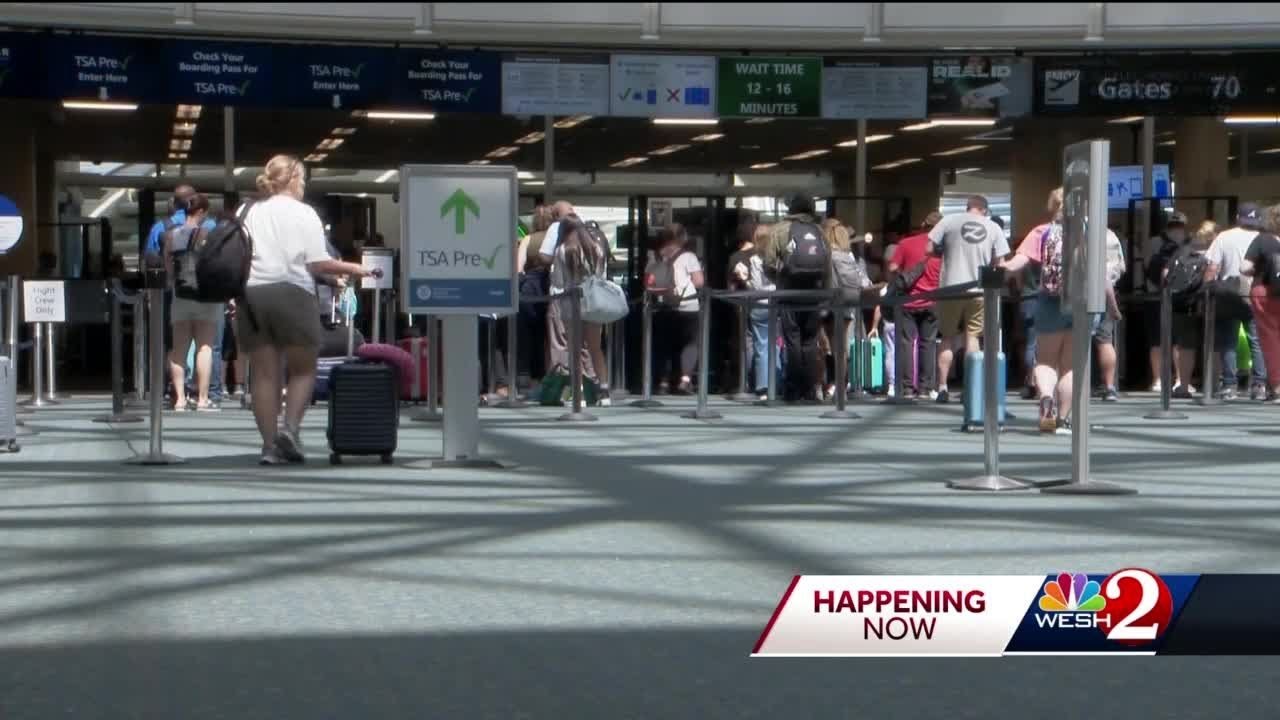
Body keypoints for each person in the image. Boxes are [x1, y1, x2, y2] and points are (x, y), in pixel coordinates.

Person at [239, 155, 372, 465]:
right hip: (292, 292)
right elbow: (317, 263)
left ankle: (270, 447)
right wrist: (354, 267)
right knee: (303, 368)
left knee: (264, 375)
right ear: (296, 178)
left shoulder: (249, 211)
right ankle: (290, 428)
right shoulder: (304, 213)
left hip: (253, 294)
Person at [999, 188, 1073, 434]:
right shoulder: (1089, 231)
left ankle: (1046, 399)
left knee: (1045, 361)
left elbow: (1018, 263)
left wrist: (1003, 267)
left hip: (1049, 300)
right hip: (1080, 303)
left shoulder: (1041, 232)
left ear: (1052, 206)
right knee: (1071, 366)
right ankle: (1062, 419)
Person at [927, 195, 1010, 404]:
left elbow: (928, 248)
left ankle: (943, 387)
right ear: (984, 210)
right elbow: (1000, 263)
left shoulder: (948, 221)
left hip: (950, 288)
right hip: (979, 290)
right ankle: (971, 388)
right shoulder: (994, 228)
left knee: (946, 337)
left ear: (968, 207)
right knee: (972, 338)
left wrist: (948, 252)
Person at [756, 194, 828, 403]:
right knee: (810, 341)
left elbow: (768, 263)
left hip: (789, 293)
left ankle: (793, 389)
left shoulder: (779, 230)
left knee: (792, 341)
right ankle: (811, 389)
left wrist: (781, 279)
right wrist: (825, 291)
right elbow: (827, 264)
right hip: (814, 294)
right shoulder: (819, 231)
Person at [163, 192, 221, 411]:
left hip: (180, 295)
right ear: (202, 212)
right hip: (206, 296)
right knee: (204, 347)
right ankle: (203, 399)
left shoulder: (171, 235)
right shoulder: (210, 234)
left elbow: (168, 267)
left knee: (178, 349)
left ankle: (179, 399)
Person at [1206, 203, 1268, 401]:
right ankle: (1259, 385)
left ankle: (1229, 385)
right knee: (1256, 341)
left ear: (1237, 217)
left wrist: (1207, 289)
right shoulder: (1264, 238)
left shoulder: (1224, 237)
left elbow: (1213, 268)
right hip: (1256, 292)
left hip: (1229, 292)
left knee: (1228, 341)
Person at [548, 218, 611, 402]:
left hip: (570, 303)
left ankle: (578, 393)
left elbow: (558, 281)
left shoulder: (563, 250)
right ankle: (604, 391)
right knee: (595, 349)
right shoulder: (596, 250)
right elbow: (602, 276)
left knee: (574, 350)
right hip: (593, 303)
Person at [887, 212, 943, 400]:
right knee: (928, 344)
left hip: (908, 301)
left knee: (905, 344)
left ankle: (907, 388)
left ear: (923, 224)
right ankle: (926, 388)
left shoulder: (906, 243)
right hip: (933, 301)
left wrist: (905, 276)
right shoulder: (944, 248)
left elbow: (892, 268)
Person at [645, 223, 704, 395]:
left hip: (663, 305)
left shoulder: (655, 256)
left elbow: (649, 281)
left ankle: (663, 382)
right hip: (688, 305)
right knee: (690, 343)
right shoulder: (689, 257)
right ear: (681, 237)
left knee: (665, 344)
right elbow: (699, 281)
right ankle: (684, 381)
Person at [731, 223, 779, 399]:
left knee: (761, 345)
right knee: (776, 345)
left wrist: (744, 279)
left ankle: (763, 386)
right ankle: (777, 381)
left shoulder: (755, 259)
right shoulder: (778, 258)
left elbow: (757, 286)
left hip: (759, 304)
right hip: (778, 303)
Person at [1144, 211, 1190, 392]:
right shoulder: (1189, 241)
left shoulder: (1154, 242)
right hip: (1182, 296)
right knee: (1180, 341)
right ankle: (1180, 380)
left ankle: (1158, 380)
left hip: (1155, 295)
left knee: (1157, 341)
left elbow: (1147, 266)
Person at [1168, 221, 1214, 399]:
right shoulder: (1212, 254)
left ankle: (1183, 384)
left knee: (1185, 345)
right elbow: (1212, 278)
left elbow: (1165, 275)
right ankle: (1215, 386)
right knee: (1215, 344)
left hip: (1184, 304)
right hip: (1209, 303)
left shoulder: (1181, 253)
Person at [1243, 205, 1280, 403]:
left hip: (1265, 292)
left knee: (1270, 340)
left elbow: (1245, 266)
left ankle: (1277, 387)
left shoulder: (1263, 240)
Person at [518, 205, 553, 393]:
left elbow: (519, 268)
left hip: (529, 291)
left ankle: (527, 375)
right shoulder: (555, 240)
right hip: (551, 289)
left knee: (529, 335)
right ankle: (548, 374)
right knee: (549, 335)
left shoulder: (527, 239)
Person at [1092, 228, 1127, 402]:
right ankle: (1108, 386)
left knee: (1073, 341)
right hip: (1110, 291)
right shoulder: (1110, 235)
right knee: (1105, 340)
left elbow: (1102, 274)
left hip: (1085, 292)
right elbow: (1121, 267)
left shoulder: (1076, 231)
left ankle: (1075, 384)